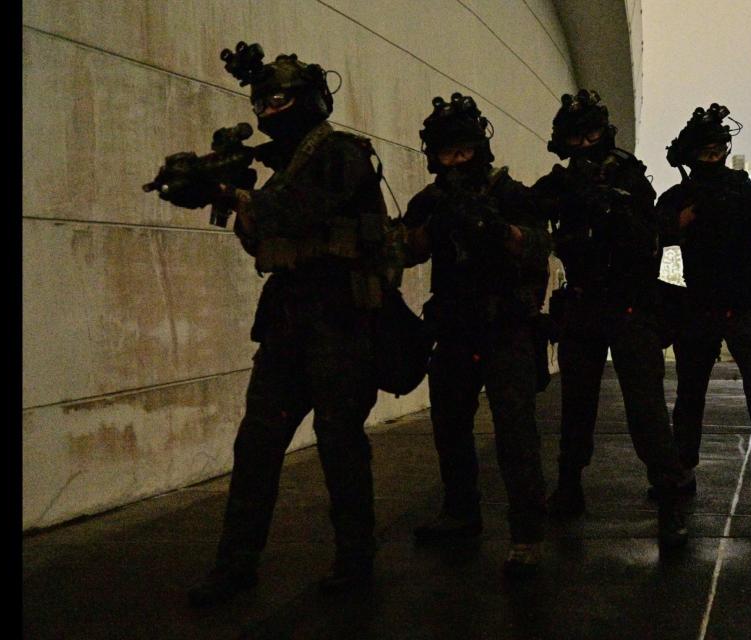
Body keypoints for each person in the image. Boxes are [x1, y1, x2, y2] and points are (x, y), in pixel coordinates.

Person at [165, 42, 394, 606]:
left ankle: (355, 562)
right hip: (289, 319)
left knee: (339, 445)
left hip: (340, 318)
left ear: (311, 100)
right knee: (257, 445)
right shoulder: (286, 167)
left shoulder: (342, 153)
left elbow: (296, 210)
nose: (268, 112)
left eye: (279, 100)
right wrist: (229, 199)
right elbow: (263, 237)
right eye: (261, 102)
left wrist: (232, 193)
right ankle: (235, 565)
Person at [402, 93, 552, 577]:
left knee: (515, 433)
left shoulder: (511, 194)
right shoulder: (431, 200)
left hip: (506, 329)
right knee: (450, 428)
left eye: (464, 151)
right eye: (448, 154)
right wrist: (431, 227)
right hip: (454, 330)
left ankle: (527, 532)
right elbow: (406, 252)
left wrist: (499, 230)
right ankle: (461, 513)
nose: (457, 161)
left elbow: (538, 248)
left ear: (479, 148)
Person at [531, 90, 688, 548]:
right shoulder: (562, 183)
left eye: (592, 135)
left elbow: (651, 238)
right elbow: (533, 208)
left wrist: (614, 209)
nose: (585, 144)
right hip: (583, 303)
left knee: (646, 407)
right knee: (576, 403)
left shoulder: (630, 178)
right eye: (577, 138)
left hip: (628, 305)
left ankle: (670, 496)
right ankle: (569, 484)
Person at [655, 103, 751, 525]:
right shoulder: (682, 197)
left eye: (717, 147)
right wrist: (683, 220)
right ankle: (684, 470)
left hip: (742, 303)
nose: (713, 154)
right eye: (706, 149)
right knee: (690, 396)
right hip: (701, 305)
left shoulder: (743, 190)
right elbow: (655, 230)